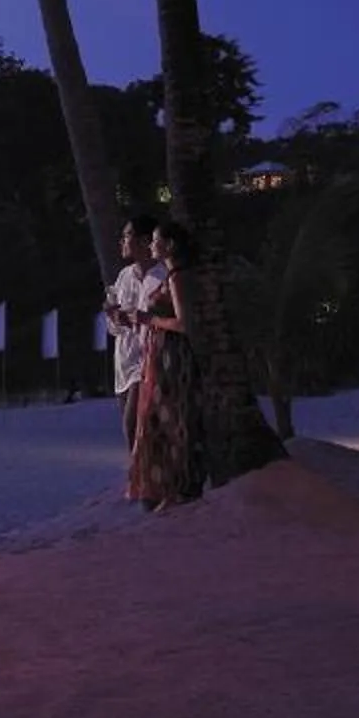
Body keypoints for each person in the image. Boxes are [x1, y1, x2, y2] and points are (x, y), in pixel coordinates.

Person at [130, 219, 200, 511]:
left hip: (172, 356)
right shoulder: (172, 275)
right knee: (157, 419)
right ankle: (163, 489)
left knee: (170, 420)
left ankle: (177, 488)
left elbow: (185, 323)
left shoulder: (177, 277)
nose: (151, 245)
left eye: (156, 240)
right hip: (160, 354)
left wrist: (149, 320)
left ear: (169, 245)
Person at [103, 218, 155, 498]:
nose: (123, 242)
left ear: (146, 241)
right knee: (131, 427)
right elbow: (116, 328)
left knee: (133, 423)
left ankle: (144, 480)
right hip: (123, 361)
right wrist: (114, 315)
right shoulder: (124, 277)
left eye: (128, 236)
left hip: (147, 359)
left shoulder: (160, 275)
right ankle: (144, 478)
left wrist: (139, 319)